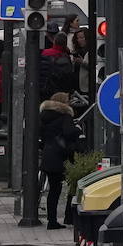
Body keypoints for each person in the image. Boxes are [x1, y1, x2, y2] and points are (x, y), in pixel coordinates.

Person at [39, 91, 81, 229]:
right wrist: (78, 129)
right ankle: (65, 218)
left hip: (48, 155)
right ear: (63, 103)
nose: (69, 102)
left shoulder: (45, 116)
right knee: (70, 186)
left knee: (53, 190)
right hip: (60, 157)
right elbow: (69, 133)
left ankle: (52, 220)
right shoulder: (65, 116)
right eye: (68, 100)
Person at [39, 32, 77, 98]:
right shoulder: (65, 57)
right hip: (58, 91)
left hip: (43, 89)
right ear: (65, 43)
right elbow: (68, 77)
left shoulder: (44, 53)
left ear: (54, 41)